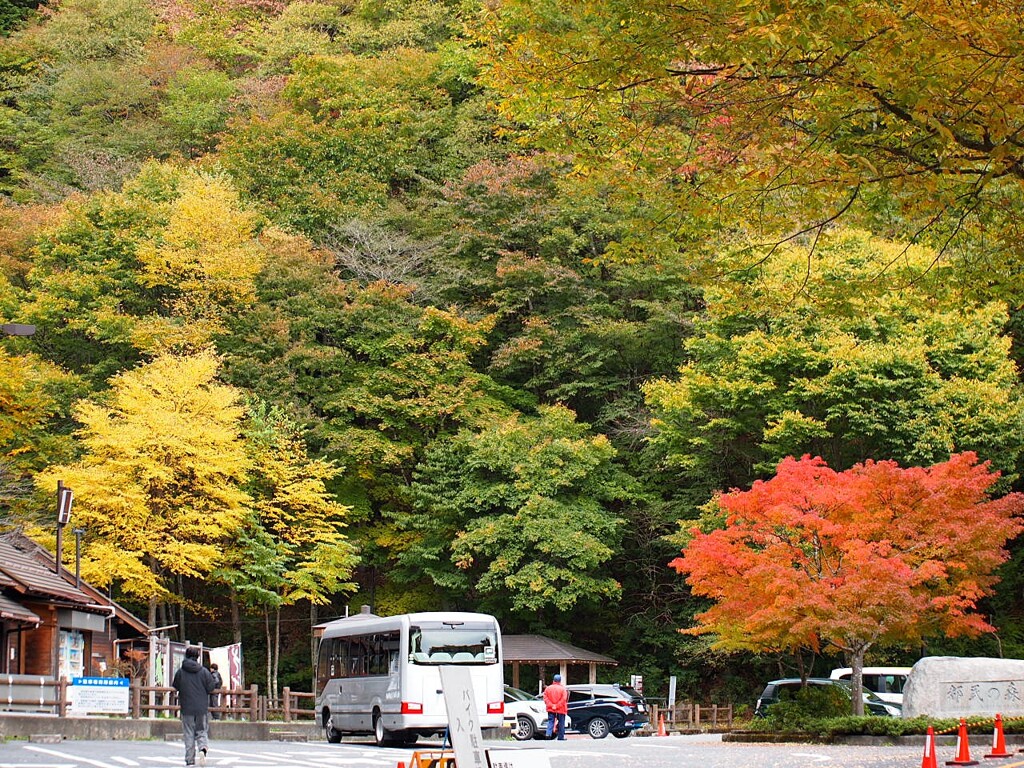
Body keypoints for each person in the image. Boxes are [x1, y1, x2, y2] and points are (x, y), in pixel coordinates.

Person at [172, 646, 217, 766]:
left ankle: (190, 760)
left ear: (186, 656)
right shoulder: (204, 672)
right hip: (201, 707)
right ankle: (202, 749)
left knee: (189, 733)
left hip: (186, 707)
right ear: (197, 657)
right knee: (201, 731)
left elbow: (175, 685)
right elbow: (211, 687)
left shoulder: (181, 672)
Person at [543, 673, 568, 740]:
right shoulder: (563, 689)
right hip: (561, 709)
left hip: (551, 709)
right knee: (561, 722)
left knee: (551, 721)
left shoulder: (548, 688)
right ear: (560, 681)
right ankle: (560, 737)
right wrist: (557, 706)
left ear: (553, 680)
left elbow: (545, 698)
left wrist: (552, 705)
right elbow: (564, 699)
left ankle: (548, 734)